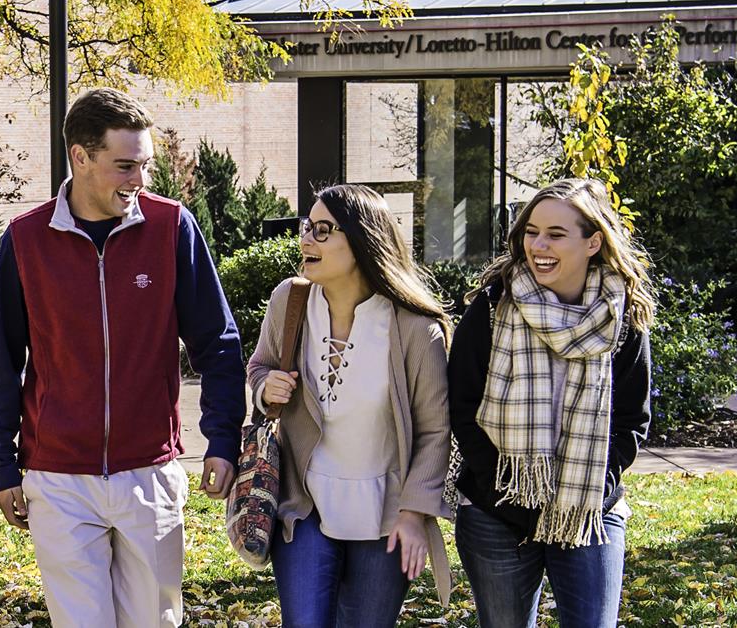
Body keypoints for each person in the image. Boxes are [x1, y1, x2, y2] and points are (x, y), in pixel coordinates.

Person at [0, 87, 247, 626]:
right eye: (125, 166)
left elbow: (218, 344)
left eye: (144, 165)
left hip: (148, 470)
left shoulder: (172, 228)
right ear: (80, 156)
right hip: (58, 478)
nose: (139, 181)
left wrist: (222, 439)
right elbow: (2, 362)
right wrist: (2, 466)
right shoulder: (26, 240)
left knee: (154, 621)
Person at [447, 179, 654, 628]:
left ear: (593, 241)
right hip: (496, 510)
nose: (538, 244)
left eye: (556, 234)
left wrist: (594, 488)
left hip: (588, 511)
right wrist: (500, 487)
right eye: (531, 231)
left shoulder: (621, 315)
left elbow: (632, 419)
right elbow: (462, 406)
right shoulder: (492, 306)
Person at [246, 184, 453, 627]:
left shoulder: (415, 328)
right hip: (305, 504)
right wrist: (266, 387)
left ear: (363, 241)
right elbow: (259, 366)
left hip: (386, 514)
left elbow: (436, 431)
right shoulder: (291, 301)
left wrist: (414, 514)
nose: (306, 239)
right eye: (307, 227)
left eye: (323, 230)